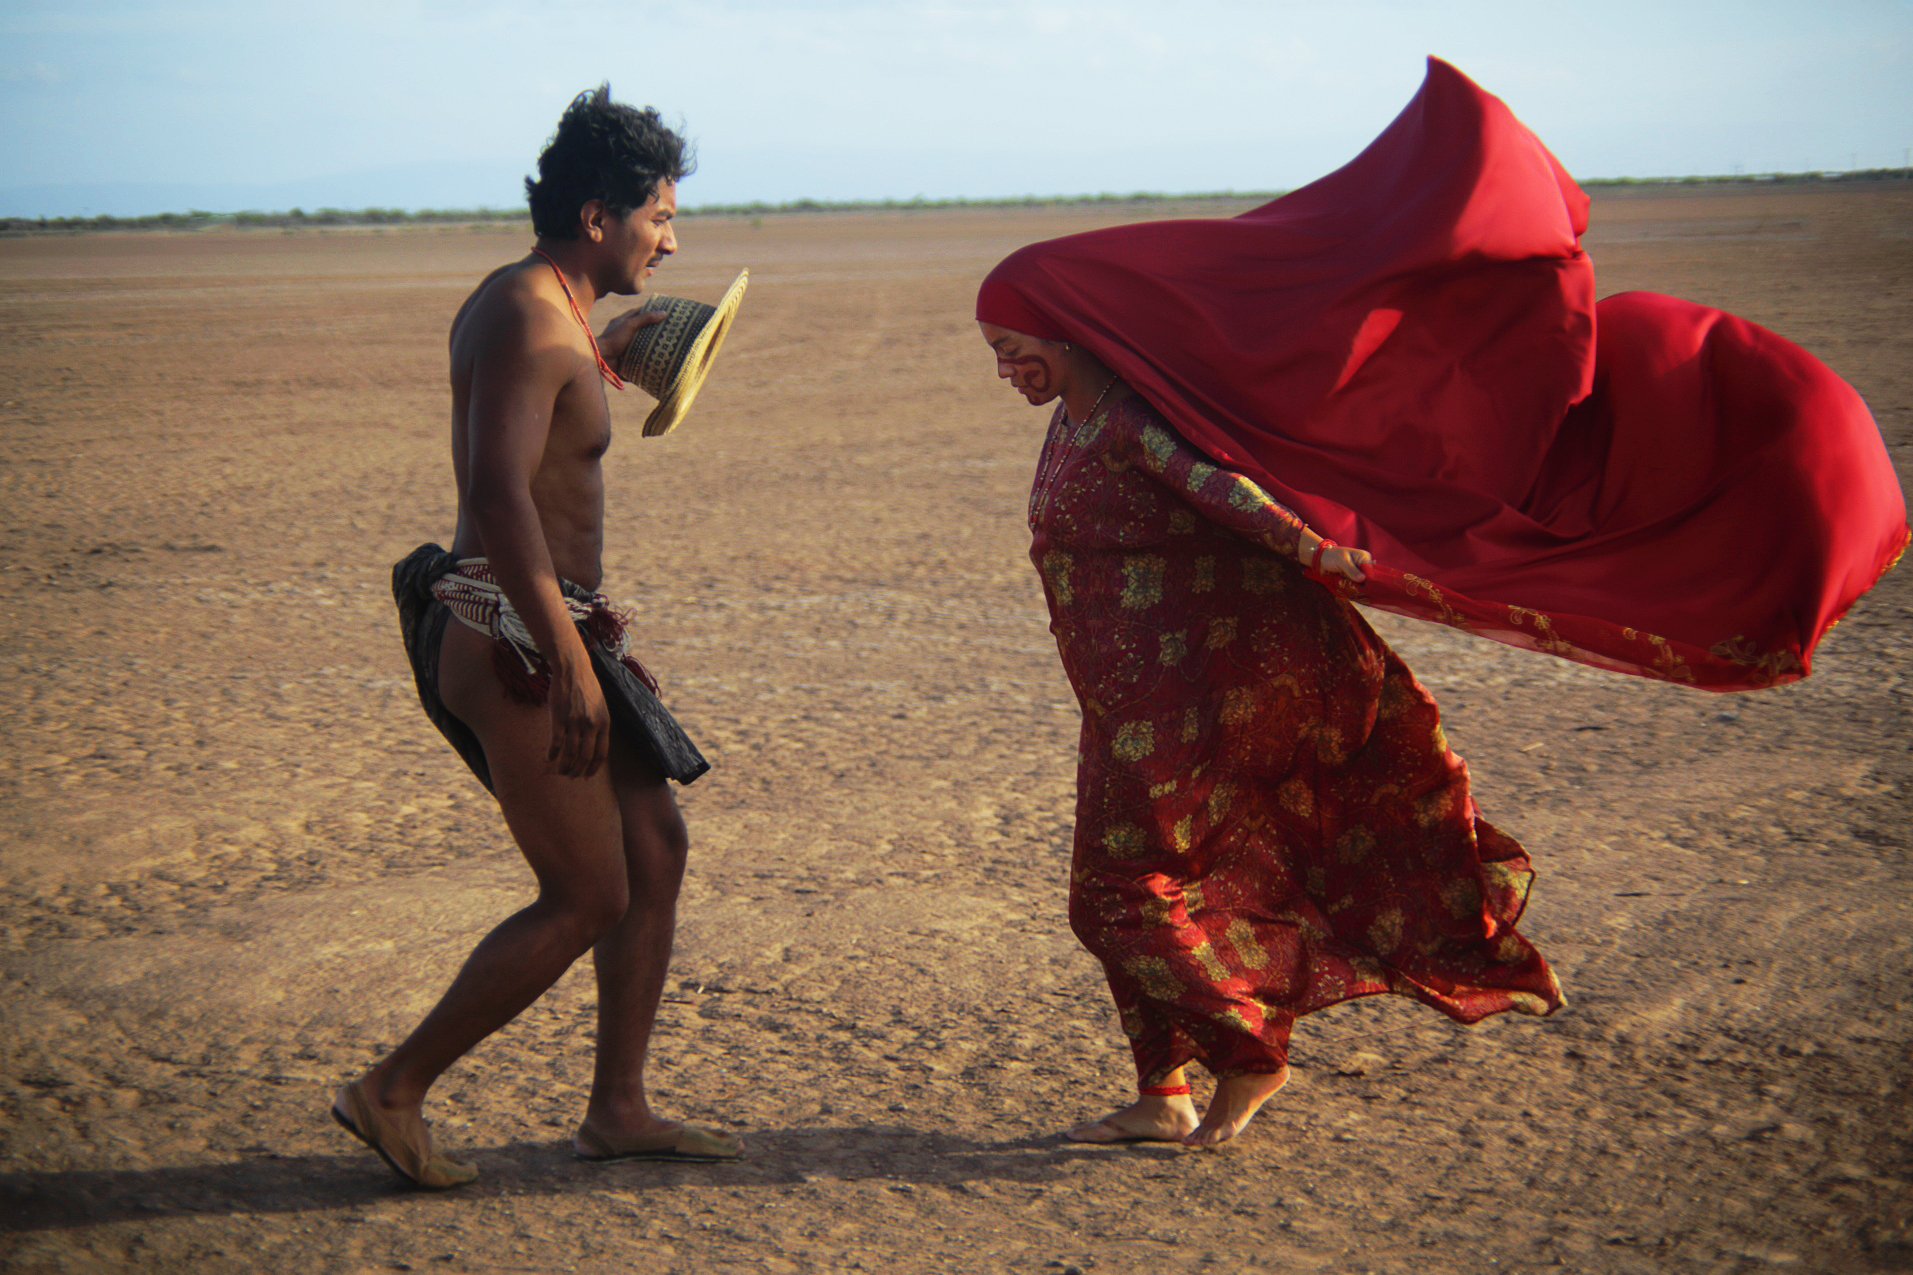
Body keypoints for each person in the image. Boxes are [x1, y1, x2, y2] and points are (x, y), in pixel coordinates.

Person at [975, 59, 1903, 1149]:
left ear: (1067, 330)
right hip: (1126, 706)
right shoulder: (1071, 423)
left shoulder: (1136, 423)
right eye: (997, 356)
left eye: (1014, 349)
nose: (1006, 370)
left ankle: (1247, 1059)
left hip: (1213, 694)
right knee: (1141, 882)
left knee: (1122, 894)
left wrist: (1360, 563)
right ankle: (1162, 1093)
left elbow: (1243, 505)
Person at [332, 85, 739, 1189]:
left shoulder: (548, 313)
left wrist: (602, 357)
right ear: (599, 214)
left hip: (552, 622)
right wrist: (565, 663)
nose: (671, 239)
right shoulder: (522, 313)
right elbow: (497, 494)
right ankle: (393, 1089)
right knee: (586, 893)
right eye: (659, 217)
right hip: (513, 631)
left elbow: (546, 429)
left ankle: (617, 1108)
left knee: (653, 851)